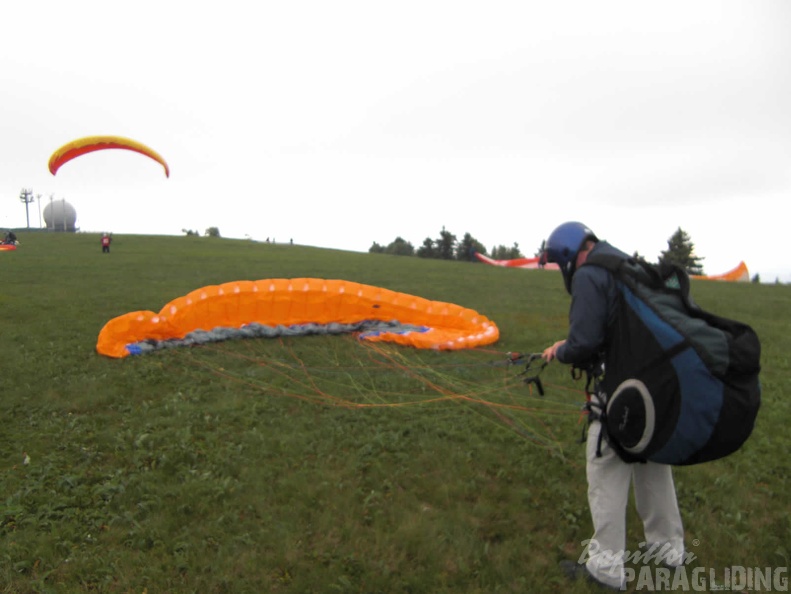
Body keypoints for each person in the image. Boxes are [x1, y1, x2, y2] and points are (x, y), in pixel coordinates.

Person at [541, 222, 685, 591]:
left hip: (620, 396)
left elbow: (585, 342)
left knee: (604, 473)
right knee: (654, 468)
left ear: (568, 257)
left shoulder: (591, 274)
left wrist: (563, 350)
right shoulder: (625, 265)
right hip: (654, 390)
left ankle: (605, 572)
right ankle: (668, 554)